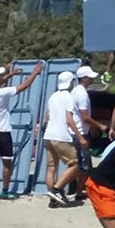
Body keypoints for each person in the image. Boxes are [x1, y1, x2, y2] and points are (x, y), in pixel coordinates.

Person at [0, 62, 43, 202]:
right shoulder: (3, 92)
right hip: (3, 131)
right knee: (7, 163)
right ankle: (5, 190)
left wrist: (10, 74)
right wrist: (35, 73)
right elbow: (24, 86)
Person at [43, 70, 87, 206]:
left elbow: (47, 117)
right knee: (75, 164)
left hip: (48, 135)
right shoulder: (69, 97)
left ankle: (53, 199)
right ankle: (56, 190)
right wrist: (80, 137)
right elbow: (69, 119)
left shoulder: (52, 96)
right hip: (61, 135)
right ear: (71, 82)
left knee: (51, 167)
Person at [71, 64, 108, 200]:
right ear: (84, 78)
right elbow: (85, 116)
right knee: (84, 164)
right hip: (81, 133)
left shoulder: (74, 91)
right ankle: (79, 192)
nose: (92, 80)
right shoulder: (82, 94)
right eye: (90, 77)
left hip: (75, 132)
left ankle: (77, 188)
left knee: (79, 163)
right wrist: (99, 126)